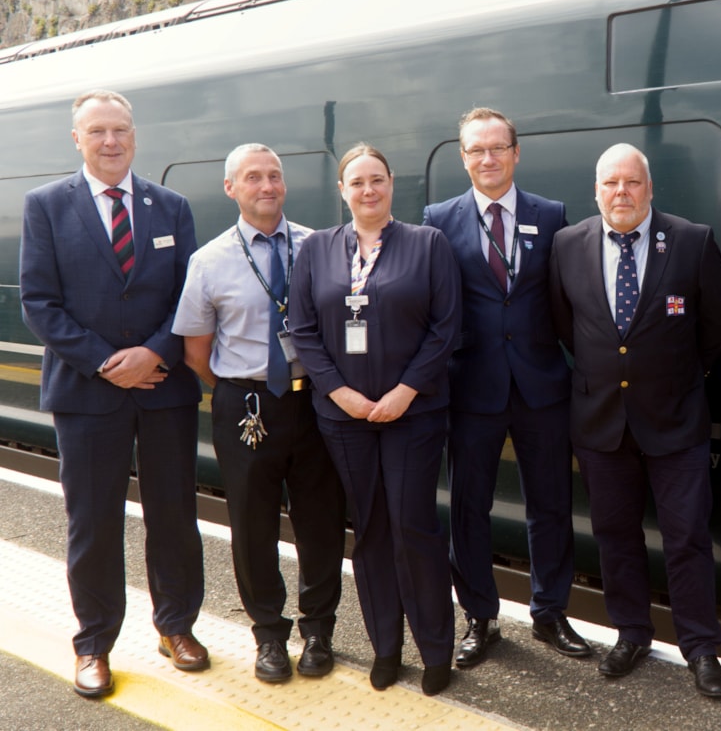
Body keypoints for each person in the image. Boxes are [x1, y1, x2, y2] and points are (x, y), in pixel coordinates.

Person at [18, 89, 207, 698]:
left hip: (163, 388)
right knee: (93, 523)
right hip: (85, 393)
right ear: (77, 139)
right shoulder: (45, 206)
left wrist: (155, 352)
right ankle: (94, 643)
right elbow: (38, 303)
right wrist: (106, 362)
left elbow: (189, 295)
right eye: (97, 131)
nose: (110, 141)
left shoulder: (171, 206)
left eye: (120, 130)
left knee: (174, 516)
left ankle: (175, 626)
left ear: (135, 135)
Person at [548, 143, 721, 698]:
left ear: (649, 189)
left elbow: (719, 324)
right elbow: (567, 325)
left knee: (686, 537)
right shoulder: (566, 245)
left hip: (675, 422)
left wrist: (678, 376)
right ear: (597, 191)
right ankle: (632, 632)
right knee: (614, 535)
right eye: (610, 184)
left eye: (631, 183)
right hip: (601, 422)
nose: (621, 193)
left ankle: (701, 649)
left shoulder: (691, 241)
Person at [289, 143, 461, 696]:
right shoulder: (316, 249)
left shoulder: (427, 244)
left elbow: (446, 327)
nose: (368, 190)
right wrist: (340, 393)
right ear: (342, 190)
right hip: (344, 417)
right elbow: (303, 330)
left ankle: (436, 649)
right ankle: (386, 648)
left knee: (414, 526)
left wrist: (405, 391)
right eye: (357, 182)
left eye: (378, 180)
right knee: (369, 529)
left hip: (413, 413)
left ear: (393, 185)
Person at [423, 108, 591, 669]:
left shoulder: (551, 215)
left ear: (516, 153)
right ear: (463, 157)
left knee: (550, 505)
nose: (488, 158)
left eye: (498, 148)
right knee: (470, 507)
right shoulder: (438, 220)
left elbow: (563, 300)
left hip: (542, 384)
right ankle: (479, 616)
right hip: (472, 388)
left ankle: (550, 612)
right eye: (477, 149)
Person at [173, 144, 347, 683]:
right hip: (246, 403)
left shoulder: (319, 245)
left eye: (274, 176)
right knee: (252, 524)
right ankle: (269, 633)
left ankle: (319, 629)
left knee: (321, 521)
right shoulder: (209, 261)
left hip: (315, 402)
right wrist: (241, 388)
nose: (266, 186)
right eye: (253, 177)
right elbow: (196, 352)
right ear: (232, 189)